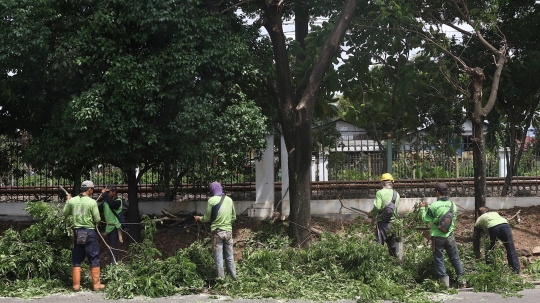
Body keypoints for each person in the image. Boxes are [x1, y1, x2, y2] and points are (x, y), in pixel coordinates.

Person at [418, 182, 465, 288]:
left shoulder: (434, 206)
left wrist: (422, 208)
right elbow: (453, 220)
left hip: (437, 236)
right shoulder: (453, 205)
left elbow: (425, 219)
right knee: (455, 258)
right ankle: (462, 281)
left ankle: (445, 284)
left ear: (438, 192)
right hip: (450, 236)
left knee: (439, 258)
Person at [63, 180, 105, 291]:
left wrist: (67, 201)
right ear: (90, 189)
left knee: (77, 257)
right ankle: (96, 285)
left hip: (77, 233)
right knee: (94, 257)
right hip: (89, 232)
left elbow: (65, 214)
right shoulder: (92, 202)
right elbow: (97, 219)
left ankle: (76, 286)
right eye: (93, 189)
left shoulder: (72, 201)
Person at [194, 181, 237, 280]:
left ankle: (221, 281)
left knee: (218, 257)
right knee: (230, 257)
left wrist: (199, 219)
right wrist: (227, 224)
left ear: (212, 190)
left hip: (217, 233)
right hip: (228, 232)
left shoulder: (211, 200)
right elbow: (234, 217)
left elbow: (207, 218)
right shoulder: (229, 200)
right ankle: (235, 280)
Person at [473, 207, 520, 274]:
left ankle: (491, 271)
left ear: (479, 214)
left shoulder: (479, 220)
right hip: (505, 226)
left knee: (490, 250)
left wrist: (477, 252)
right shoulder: (495, 213)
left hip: (493, 228)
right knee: (510, 248)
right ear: (488, 211)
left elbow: (475, 238)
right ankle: (516, 270)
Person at [368, 173, 400, 257]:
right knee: (393, 247)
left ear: (382, 183)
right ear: (392, 183)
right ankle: (396, 264)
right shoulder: (397, 194)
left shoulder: (380, 193)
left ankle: (378, 264)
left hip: (382, 224)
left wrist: (371, 214)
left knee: (378, 246)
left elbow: (378, 207)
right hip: (394, 223)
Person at [98, 184, 124, 265]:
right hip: (108, 227)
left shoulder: (118, 201)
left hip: (115, 227)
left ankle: (113, 266)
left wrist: (104, 195)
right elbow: (98, 209)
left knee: (113, 247)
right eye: (107, 192)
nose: (108, 194)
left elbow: (113, 205)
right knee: (111, 247)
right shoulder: (106, 202)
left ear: (114, 192)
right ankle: (115, 264)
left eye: (109, 192)